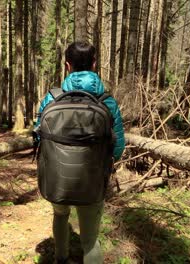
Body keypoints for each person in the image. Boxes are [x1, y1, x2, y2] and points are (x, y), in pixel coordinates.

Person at [35, 41, 125, 264]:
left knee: (60, 214)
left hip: (56, 179)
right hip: (92, 181)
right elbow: (119, 146)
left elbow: (38, 138)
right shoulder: (107, 102)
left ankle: (60, 259)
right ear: (94, 64)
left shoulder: (52, 98)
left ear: (67, 65)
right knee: (90, 240)